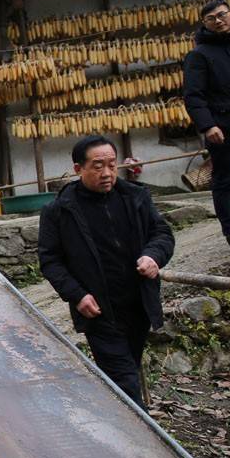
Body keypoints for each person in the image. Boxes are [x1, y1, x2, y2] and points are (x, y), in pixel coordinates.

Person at [38, 135, 175, 409]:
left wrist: (153, 256)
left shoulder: (135, 197)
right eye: (98, 166)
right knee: (124, 379)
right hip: (98, 311)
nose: (107, 173)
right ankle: (147, 440)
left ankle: (121, 427)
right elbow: (50, 260)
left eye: (112, 165)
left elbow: (161, 233)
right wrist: (77, 295)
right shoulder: (59, 211)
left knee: (127, 371)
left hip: (138, 305)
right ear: (78, 169)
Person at [183, 0, 230, 249]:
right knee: (224, 179)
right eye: (211, 18)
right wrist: (208, 125)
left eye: (222, 15)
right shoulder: (199, 55)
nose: (218, 21)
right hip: (223, 126)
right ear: (204, 24)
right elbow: (193, 96)